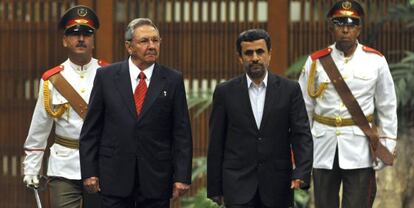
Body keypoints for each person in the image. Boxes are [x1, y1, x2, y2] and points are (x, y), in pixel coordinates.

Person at [79, 18, 193, 208]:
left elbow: (181, 132)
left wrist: (182, 176)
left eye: (155, 41)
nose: (151, 46)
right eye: (144, 41)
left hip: (156, 178)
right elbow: (91, 129)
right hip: (114, 176)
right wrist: (90, 171)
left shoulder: (172, 79)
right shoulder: (106, 77)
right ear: (129, 47)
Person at [298, 1, 398, 207]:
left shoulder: (376, 61)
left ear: (359, 28)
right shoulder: (315, 61)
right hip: (322, 146)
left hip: (360, 147)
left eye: (352, 24)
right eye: (339, 23)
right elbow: (303, 108)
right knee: (324, 204)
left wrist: (386, 145)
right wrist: (301, 149)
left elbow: (387, 106)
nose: (345, 29)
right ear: (330, 27)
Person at [207, 28, 313, 208]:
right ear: (239, 57)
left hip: (278, 184)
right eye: (248, 53)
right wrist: (215, 187)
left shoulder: (290, 90)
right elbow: (216, 141)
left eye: (260, 52)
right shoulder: (225, 92)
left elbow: (301, 134)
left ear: (269, 54)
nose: (255, 57)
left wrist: (301, 172)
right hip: (237, 185)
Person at [22, 5, 107, 208]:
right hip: (63, 168)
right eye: (74, 34)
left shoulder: (110, 74)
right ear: (65, 40)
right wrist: (31, 169)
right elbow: (39, 129)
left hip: (101, 165)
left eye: (87, 34)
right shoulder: (52, 80)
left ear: (93, 41)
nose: (81, 39)